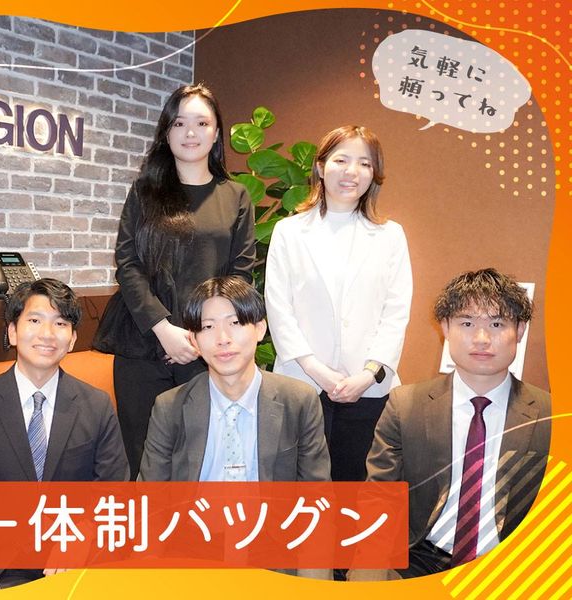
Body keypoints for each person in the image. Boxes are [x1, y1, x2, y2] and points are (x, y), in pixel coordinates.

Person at [94, 83, 255, 479]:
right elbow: (127, 263)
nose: (190, 132)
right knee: (141, 454)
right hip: (143, 342)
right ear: (166, 132)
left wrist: (200, 335)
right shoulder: (144, 192)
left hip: (206, 347)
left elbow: (240, 275)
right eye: (179, 123)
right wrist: (164, 328)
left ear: (216, 133)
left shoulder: (235, 196)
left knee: (197, 455)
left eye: (201, 123)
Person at [354, 268, 550, 579]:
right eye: (467, 323)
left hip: (513, 568)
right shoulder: (406, 406)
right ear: (445, 327)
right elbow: (378, 498)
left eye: (497, 324)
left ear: (520, 329)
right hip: (421, 560)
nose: (482, 339)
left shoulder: (552, 415)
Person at [0, 279, 129, 592]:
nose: (47, 334)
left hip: (75, 562)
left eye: (60, 323)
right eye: (35, 320)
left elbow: (114, 494)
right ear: (13, 331)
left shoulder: (96, 405)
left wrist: (83, 536)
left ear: (72, 339)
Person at [264, 124, 412, 482]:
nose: (352, 172)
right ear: (320, 166)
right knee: (297, 489)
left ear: (374, 174)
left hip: (367, 388)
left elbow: (396, 313)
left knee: (356, 488)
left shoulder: (390, 236)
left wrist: (368, 374)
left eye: (364, 163)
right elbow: (278, 308)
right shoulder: (289, 232)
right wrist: (317, 370)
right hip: (302, 382)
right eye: (341, 160)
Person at [139, 276, 330, 484]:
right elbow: (151, 495)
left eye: (235, 322)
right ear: (194, 340)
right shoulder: (169, 408)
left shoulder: (299, 401)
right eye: (208, 327)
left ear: (260, 329)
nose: (223, 339)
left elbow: (316, 492)